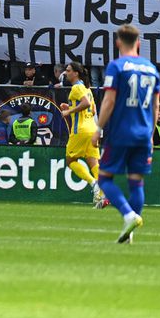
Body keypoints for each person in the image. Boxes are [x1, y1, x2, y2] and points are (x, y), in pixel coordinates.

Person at [93, 24, 160, 244]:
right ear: (138, 43)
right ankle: (129, 231)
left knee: (104, 179)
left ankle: (129, 215)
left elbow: (109, 101)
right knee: (136, 182)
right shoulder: (151, 68)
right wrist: (150, 134)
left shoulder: (117, 66)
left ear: (118, 43)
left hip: (120, 132)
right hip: (143, 133)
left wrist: (98, 128)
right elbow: (156, 105)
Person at [60, 61, 104, 208]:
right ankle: (101, 194)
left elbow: (84, 104)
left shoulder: (77, 88)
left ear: (76, 73)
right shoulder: (87, 89)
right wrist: (70, 106)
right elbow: (92, 110)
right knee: (93, 162)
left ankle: (94, 184)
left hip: (80, 130)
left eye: (68, 70)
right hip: (91, 128)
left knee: (70, 161)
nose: (66, 73)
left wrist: (68, 111)